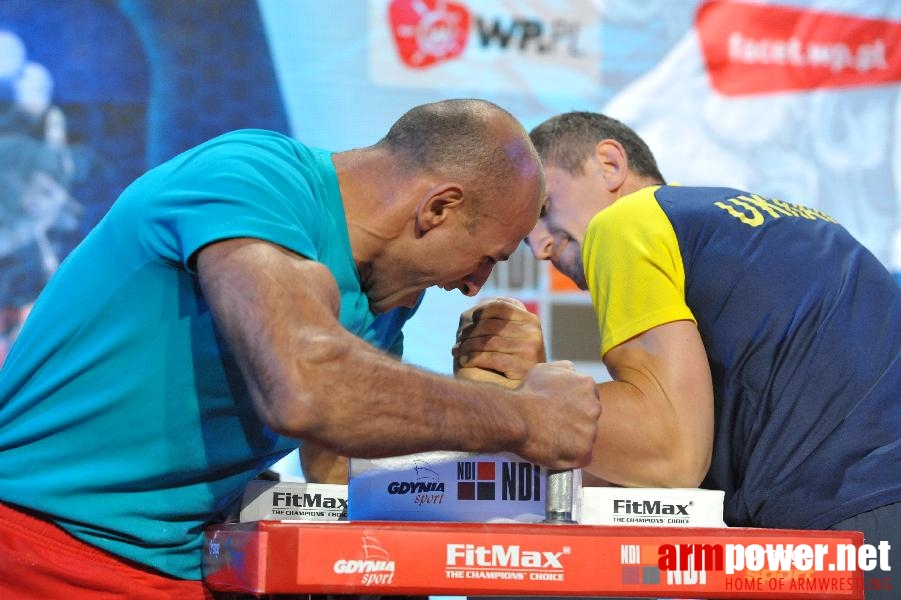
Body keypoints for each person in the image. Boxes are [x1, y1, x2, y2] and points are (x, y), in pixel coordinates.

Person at [0, 99, 601, 599]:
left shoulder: (388, 291)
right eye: (487, 259)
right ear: (438, 207)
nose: (474, 285)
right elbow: (309, 390)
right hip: (36, 549)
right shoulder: (250, 177)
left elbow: (336, 462)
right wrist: (526, 418)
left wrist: (484, 388)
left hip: (186, 568)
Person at [455, 111, 900, 594]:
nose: (539, 247)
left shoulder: (626, 221)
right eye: (524, 238)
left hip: (839, 532)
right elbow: (684, 466)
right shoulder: (788, 223)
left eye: (542, 210)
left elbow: (672, 456)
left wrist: (518, 396)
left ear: (609, 164)